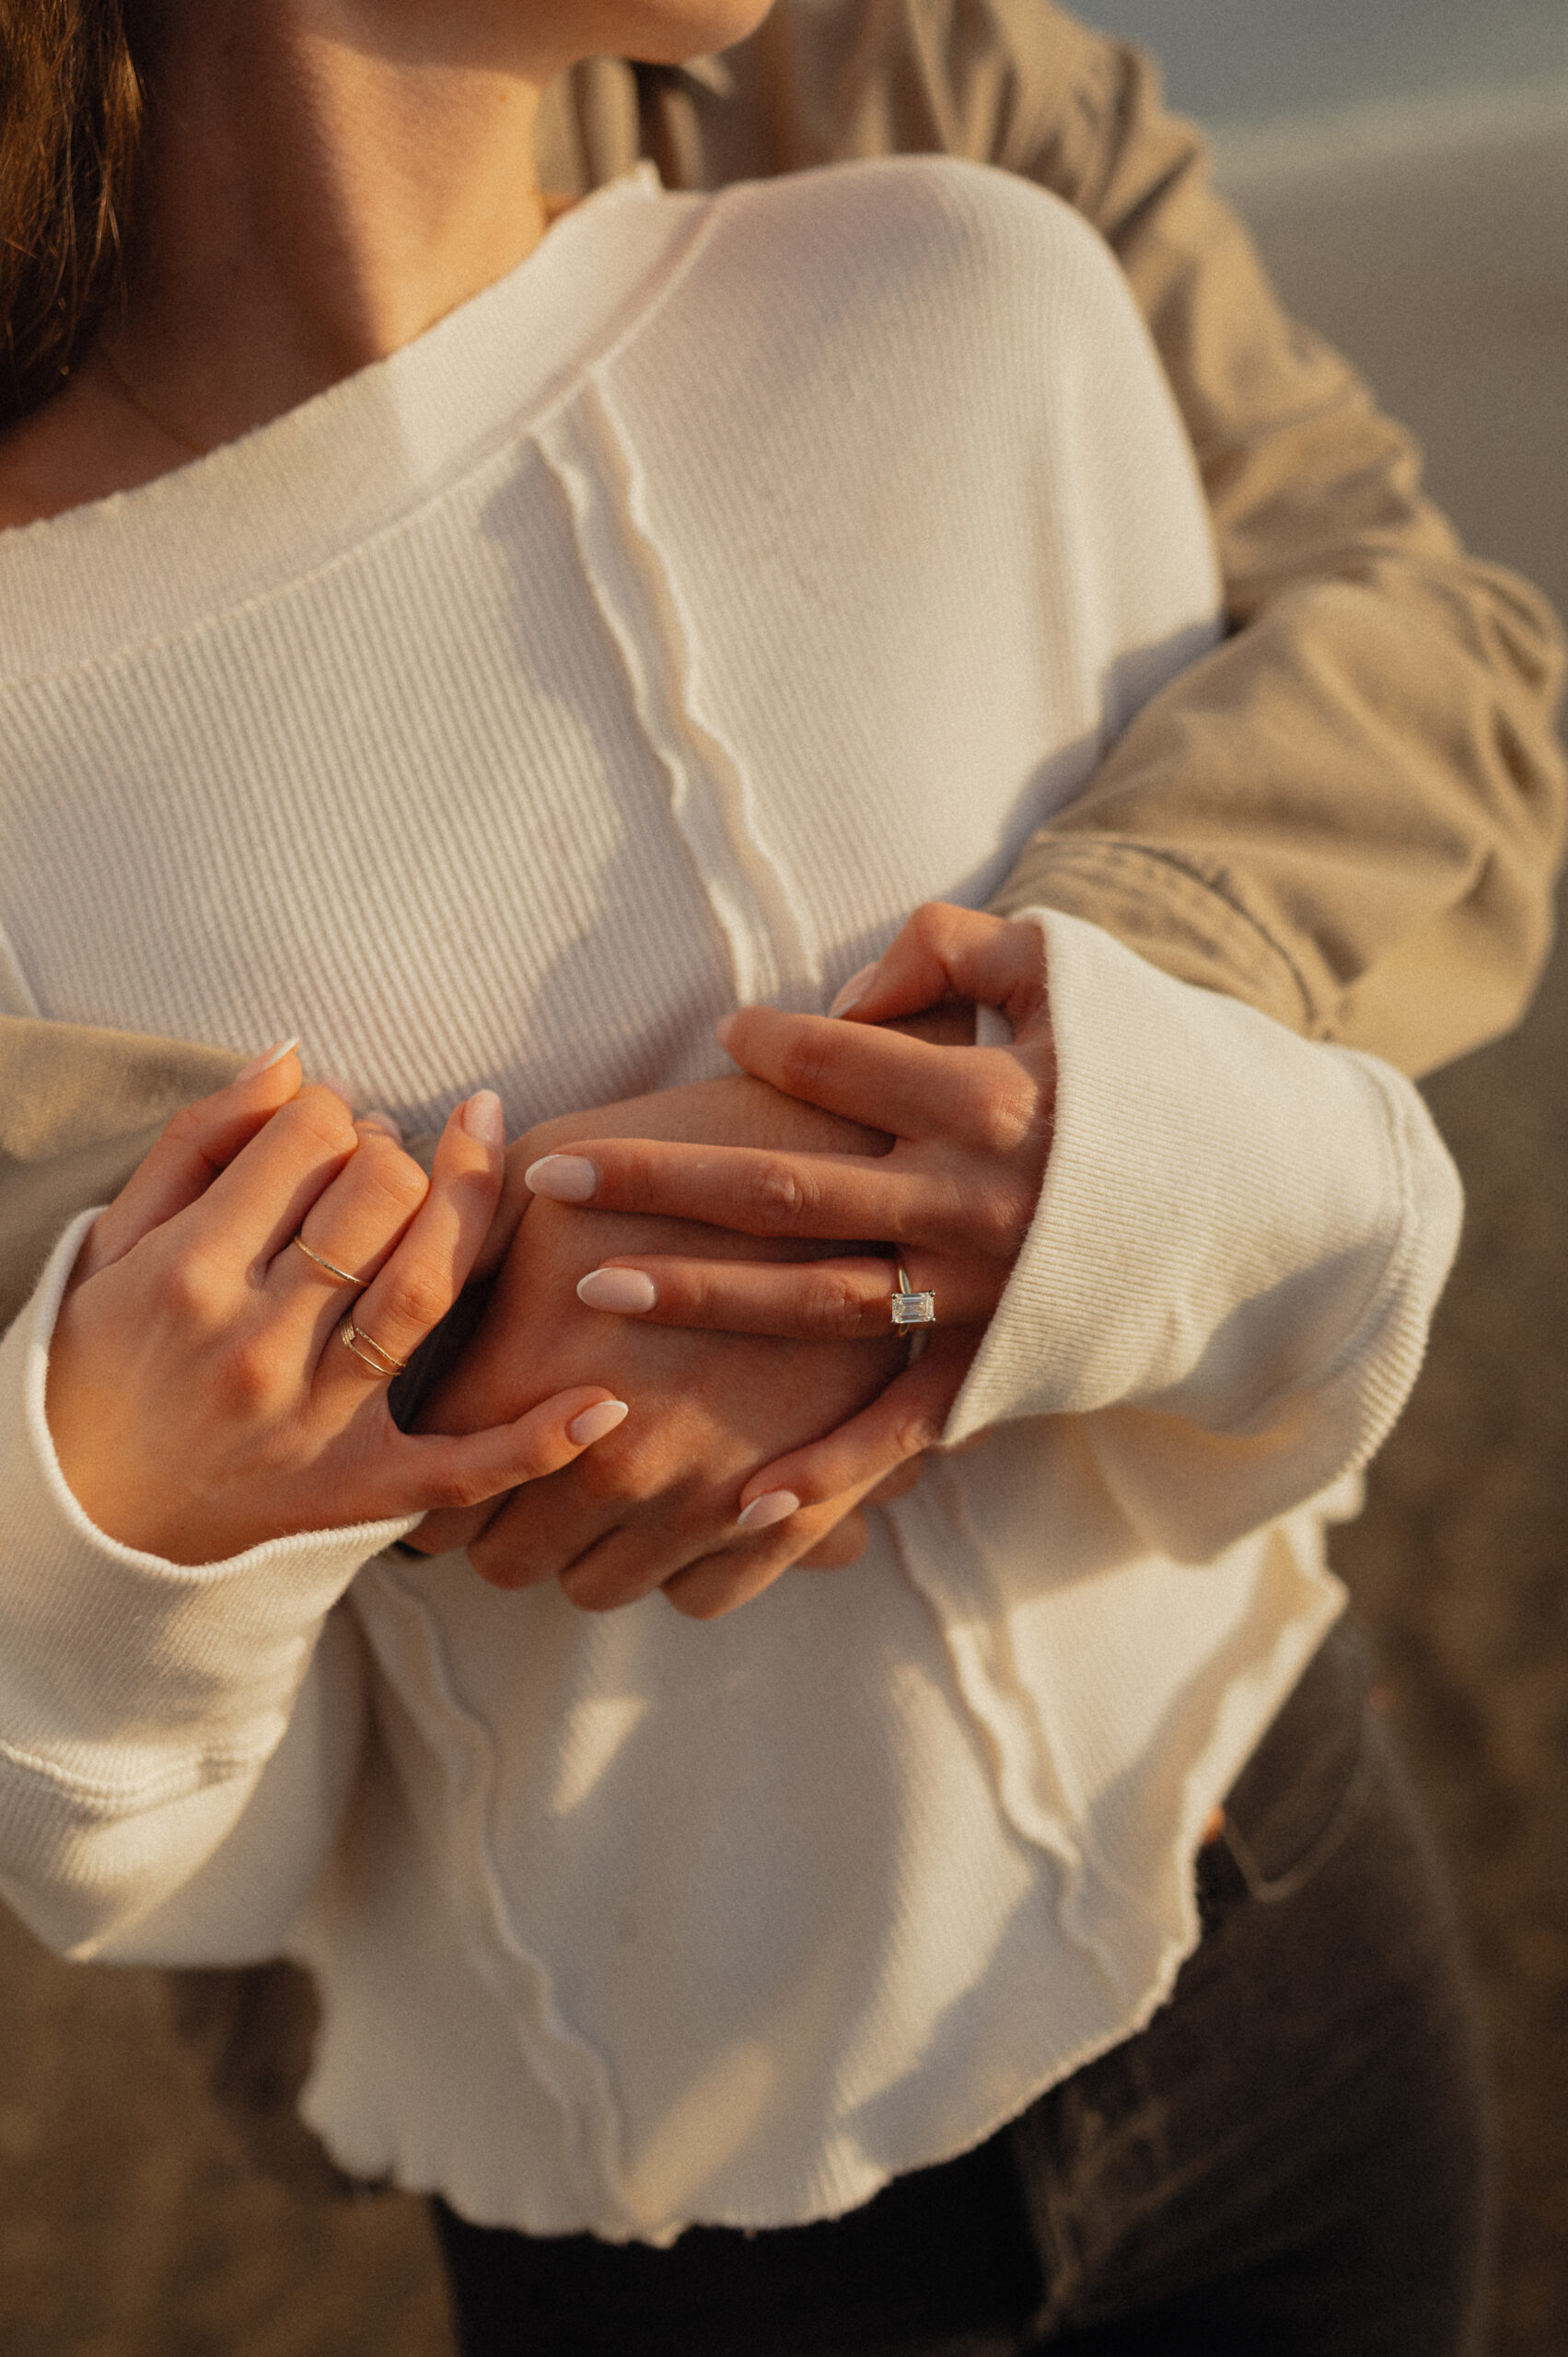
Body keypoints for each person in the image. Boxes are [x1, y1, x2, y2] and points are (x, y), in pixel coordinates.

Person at [0, 6, 1558, 2354]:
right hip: (661, 2203)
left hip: (1277, 1889)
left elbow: (1324, 1233)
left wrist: (1009, 1149)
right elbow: (174, 1838)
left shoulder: (974, 264)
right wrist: (111, 1536)